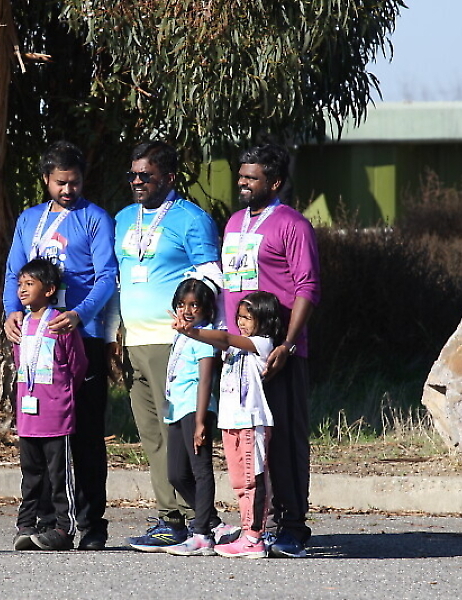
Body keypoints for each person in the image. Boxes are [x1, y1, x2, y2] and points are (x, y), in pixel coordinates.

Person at [3, 141, 117, 550]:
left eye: (75, 182)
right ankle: (45, 520)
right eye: (60, 183)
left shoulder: (94, 218)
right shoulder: (29, 219)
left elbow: (107, 275)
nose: (68, 190)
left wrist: (81, 314)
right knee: (42, 437)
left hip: (80, 337)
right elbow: (14, 271)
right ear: (46, 180)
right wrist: (11, 311)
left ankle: (91, 524)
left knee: (84, 434)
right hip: (38, 342)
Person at [112, 140, 223, 552]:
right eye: (133, 175)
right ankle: (169, 519)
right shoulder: (124, 218)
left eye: (146, 175)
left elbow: (211, 277)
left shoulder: (190, 218)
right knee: (150, 436)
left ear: (169, 177)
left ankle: (200, 521)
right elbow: (119, 279)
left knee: (174, 433)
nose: (137, 182)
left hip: (173, 343)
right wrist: (111, 333)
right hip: (134, 340)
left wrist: (197, 327)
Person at [221, 143, 321, 558]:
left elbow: (307, 287)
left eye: (252, 177)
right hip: (239, 355)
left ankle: (293, 526)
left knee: (284, 442)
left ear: (275, 182)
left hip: (277, 353)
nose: (243, 182)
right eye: (241, 175)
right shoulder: (233, 222)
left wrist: (288, 343)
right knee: (251, 443)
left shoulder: (292, 224)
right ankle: (257, 527)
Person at [172, 290, 283, 558]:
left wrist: (191, 331)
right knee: (239, 483)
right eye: (239, 317)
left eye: (247, 318)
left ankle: (254, 537)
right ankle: (246, 534)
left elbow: (223, 337)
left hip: (251, 422)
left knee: (252, 480)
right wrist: (190, 332)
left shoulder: (262, 343)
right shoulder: (234, 347)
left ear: (265, 320)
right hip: (230, 422)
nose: (241, 323)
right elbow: (221, 340)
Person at [11, 258, 88, 551]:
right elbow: (20, 364)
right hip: (27, 415)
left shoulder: (61, 323)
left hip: (55, 414)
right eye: (20, 284)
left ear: (49, 289)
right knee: (31, 474)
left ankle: (63, 528)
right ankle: (27, 524)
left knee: (59, 476)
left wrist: (62, 393)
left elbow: (77, 365)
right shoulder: (19, 325)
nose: (22, 289)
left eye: (29, 284)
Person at [161, 275, 239, 557]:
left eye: (194, 305)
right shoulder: (181, 335)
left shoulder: (204, 337)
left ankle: (202, 534)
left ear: (207, 309)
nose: (187, 310)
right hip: (177, 408)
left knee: (201, 471)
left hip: (196, 408)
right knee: (176, 474)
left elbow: (206, 380)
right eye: (182, 304)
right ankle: (214, 523)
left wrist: (200, 421)